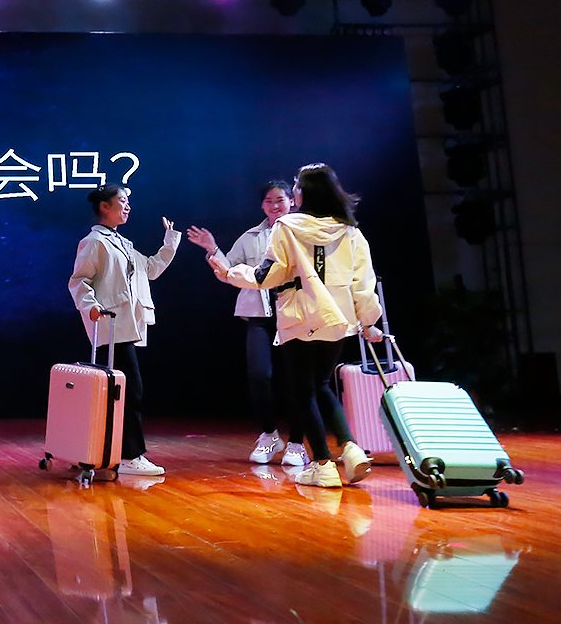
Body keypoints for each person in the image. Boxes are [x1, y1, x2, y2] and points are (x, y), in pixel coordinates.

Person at [190, 163, 385, 489]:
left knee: (303, 392)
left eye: (295, 187)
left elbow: (268, 275)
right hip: (337, 319)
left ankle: (323, 464)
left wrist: (228, 273)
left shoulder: (288, 226)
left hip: (299, 316)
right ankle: (350, 448)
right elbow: (363, 284)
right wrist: (368, 322)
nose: (292, 192)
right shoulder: (350, 231)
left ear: (303, 193)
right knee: (321, 384)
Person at [67, 185, 183, 477]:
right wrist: (91, 306)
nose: (128, 206)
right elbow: (79, 281)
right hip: (110, 326)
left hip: (126, 326)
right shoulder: (94, 241)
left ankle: (112, 453)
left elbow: (151, 269)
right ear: (104, 207)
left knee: (124, 392)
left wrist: (170, 240)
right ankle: (131, 455)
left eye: (128, 202)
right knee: (129, 392)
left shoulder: (123, 243)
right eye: (122, 201)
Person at [205, 182, 305, 467]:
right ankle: (269, 434)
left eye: (280, 200)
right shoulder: (251, 237)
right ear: (262, 205)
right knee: (260, 375)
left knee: (296, 379)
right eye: (269, 201)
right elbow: (227, 270)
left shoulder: (303, 231)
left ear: (292, 201)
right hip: (259, 315)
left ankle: (297, 442)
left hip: (296, 314)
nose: (275, 206)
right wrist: (212, 249)